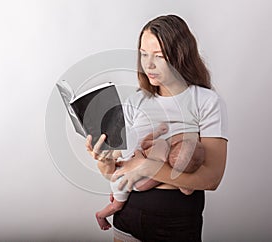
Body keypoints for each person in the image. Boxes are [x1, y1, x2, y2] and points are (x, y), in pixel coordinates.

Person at [86, 14, 228, 242]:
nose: (148, 65)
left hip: (177, 222)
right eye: (143, 54)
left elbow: (211, 179)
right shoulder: (136, 102)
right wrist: (105, 162)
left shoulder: (206, 101)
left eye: (158, 57)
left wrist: (144, 167)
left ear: (180, 56)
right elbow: (115, 172)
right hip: (128, 215)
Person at [94, 123, 205, 230]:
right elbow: (187, 190)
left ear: (175, 143)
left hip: (123, 167)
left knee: (117, 199)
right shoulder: (173, 172)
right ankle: (100, 215)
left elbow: (144, 143)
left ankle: (108, 204)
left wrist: (156, 132)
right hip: (124, 183)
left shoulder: (162, 144)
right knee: (116, 206)